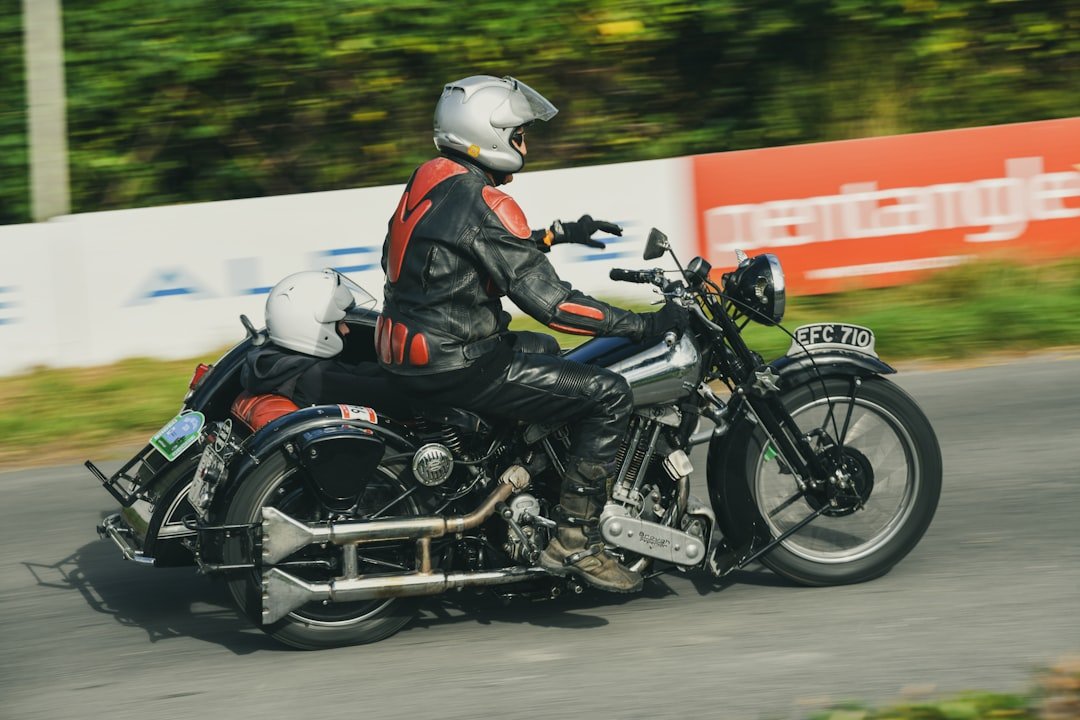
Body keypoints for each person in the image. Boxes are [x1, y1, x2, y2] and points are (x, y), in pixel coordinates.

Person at [376, 75, 688, 593]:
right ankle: (575, 540)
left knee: (545, 354)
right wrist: (644, 324)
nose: (525, 141)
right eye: (518, 131)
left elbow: (465, 249)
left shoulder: (431, 178)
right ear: (489, 133)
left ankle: (521, 476)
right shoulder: (487, 201)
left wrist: (556, 234)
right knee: (608, 394)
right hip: (459, 361)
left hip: (417, 349)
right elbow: (555, 306)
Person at [241, 269, 403, 414]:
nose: (347, 330)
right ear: (310, 326)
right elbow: (394, 397)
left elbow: (355, 372)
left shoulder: (278, 365)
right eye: (340, 323)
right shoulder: (316, 379)